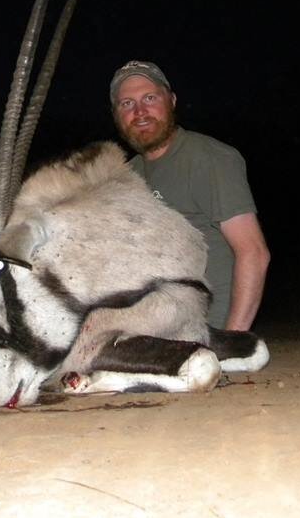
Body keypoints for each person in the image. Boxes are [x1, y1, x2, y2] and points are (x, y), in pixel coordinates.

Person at [109, 60, 269, 331]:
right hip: (151, 325)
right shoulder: (125, 176)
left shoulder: (211, 158)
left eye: (150, 98)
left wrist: (231, 340)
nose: (140, 111)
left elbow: (253, 252)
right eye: (127, 104)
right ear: (116, 115)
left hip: (205, 331)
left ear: (171, 101)